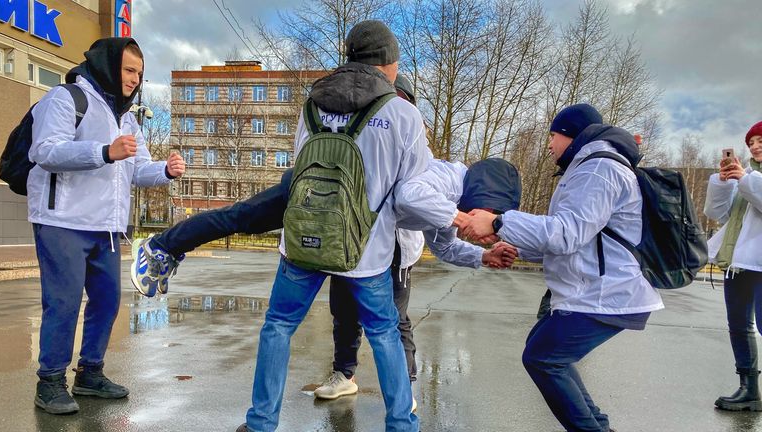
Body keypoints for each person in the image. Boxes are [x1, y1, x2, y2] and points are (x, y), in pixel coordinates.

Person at [237, 20, 430, 432]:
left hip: (303, 244)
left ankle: (260, 423)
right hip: (366, 251)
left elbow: (302, 169)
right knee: (385, 333)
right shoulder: (403, 114)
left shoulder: (311, 106)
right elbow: (416, 194)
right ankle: (402, 425)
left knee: (278, 326)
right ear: (388, 63)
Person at [461, 103, 663, 432]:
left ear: (571, 135)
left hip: (607, 294)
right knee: (546, 352)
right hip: (593, 291)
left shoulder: (599, 169)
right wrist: (516, 247)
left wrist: (499, 222)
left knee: (544, 358)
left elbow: (566, 234)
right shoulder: (585, 169)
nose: (550, 144)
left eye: (553, 136)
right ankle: (598, 426)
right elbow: (572, 240)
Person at [28, 37, 185, 415]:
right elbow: (44, 151)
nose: (134, 79)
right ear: (107, 64)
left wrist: (165, 170)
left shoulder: (127, 117)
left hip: (107, 227)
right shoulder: (67, 99)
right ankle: (50, 381)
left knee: (107, 301)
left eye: (139, 74)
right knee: (63, 303)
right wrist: (103, 151)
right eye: (128, 70)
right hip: (62, 220)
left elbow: (136, 170)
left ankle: (90, 374)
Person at [317, 154, 521, 404]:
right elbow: (409, 193)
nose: (488, 223)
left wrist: (484, 256)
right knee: (344, 310)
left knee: (394, 319)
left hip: (397, 247)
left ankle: (403, 388)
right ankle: (344, 375)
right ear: (486, 194)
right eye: (491, 214)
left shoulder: (460, 205)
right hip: (355, 237)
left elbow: (443, 247)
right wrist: (461, 218)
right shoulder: (447, 178)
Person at [705, 120, 762, 412]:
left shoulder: (749, 179)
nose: (755, 145)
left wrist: (744, 180)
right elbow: (716, 213)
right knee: (739, 326)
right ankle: (749, 389)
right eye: (751, 141)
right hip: (738, 263)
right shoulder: (747, 176)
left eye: (761, 140)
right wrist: (722, 181)